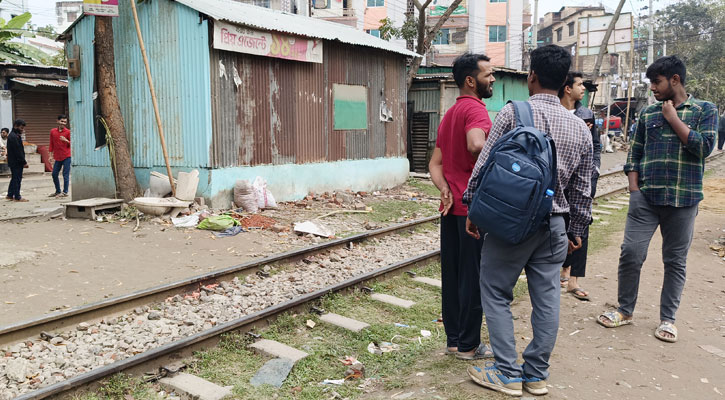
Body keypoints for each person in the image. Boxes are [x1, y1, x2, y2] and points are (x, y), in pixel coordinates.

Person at [463, 45, 593, 397]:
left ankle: (507, 372)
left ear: (531, 77)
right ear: (565, 81)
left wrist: (473, 208)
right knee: (547, 298)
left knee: (495, 290)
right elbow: (583, 189)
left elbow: (485, 166)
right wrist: (576, 230)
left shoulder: (513, 113)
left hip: (510, 223)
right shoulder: (581, 128)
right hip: (555, 226)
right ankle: (535, 374)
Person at [597, 55, 718, 343]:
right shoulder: (648, 115)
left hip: (683, 200)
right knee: (631, 254)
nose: (652, 88)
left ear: (674, 80)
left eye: (656, 82)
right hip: (646, 199)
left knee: (674, 261)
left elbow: (704, 148)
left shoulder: (704, 110)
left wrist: (673, 118)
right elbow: (634, 154)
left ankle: (668, 319)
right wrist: (634, 189)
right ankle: (625, 310)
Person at [429, 52, 496, 361]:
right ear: (471, 81)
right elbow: (476, 144)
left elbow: (435, 164)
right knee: (474, 278)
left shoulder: (450, 114)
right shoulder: (477, 111)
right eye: (488, 74)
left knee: (453, 276)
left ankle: (454, 340)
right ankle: (469, 346)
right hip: (473, 211)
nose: (493, 79)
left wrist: (445, 189)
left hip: (451, 208)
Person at [558, 71, 601, 301]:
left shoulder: (587, 114)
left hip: (582, 179)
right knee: (560, 224)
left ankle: (573, 280)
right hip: (559, 179)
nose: (583, 88)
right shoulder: (554, 112)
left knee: (582, 224)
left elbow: (596, 146)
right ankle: (561, 270)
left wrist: (594, 170)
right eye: (579, 85)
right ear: (567, 88)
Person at [49, 114, 71, 197]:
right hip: (57, 157)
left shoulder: (68, 132)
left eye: (65, 122)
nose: (63, 123)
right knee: (54, 174)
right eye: (62, 121)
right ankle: (58, 191)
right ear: (57, 121)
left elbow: (73, 144)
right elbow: (51, 144)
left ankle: (65, 192)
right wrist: (50, 156)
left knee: (65, 174)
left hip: (67, 156)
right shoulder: (53, 131)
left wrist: (66, 141)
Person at [6, 119, 28, 202]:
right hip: (16, 162)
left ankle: (10, 194)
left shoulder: (14, 135)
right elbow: (18, 151)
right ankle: (17, 196)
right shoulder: (14, 137)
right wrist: (24, 162)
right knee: (17, 179)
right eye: (21, 128)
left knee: (14, 178)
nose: (22, 130)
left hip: (14, 161)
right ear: (16, 126)